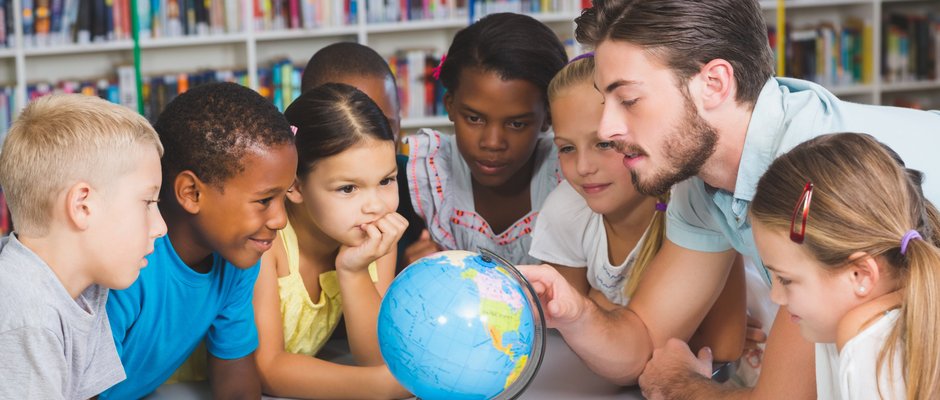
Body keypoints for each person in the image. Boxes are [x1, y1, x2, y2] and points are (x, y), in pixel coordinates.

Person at [520, 0, 940, 398]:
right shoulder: (699, 174)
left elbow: (781, 398)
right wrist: (576, 314)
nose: (608, 127)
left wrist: (683, 384)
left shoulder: (809, 182)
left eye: (628, 100)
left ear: (714, 83)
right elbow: (644, 340)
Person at [101, 82, 298, 399]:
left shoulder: (237, 259)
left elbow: (235, 384)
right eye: (264, 200)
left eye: (284, 197)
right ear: (191, 193)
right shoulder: (125, 266)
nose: (280, 220)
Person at [750, 132, 940, 399]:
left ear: (860, 274)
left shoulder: (867, 345)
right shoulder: (837, 324)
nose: (776, 296)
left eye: (786, 279)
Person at [0, 94, 166, 398]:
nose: (161, 227)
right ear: (83, 206)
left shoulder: (84, 290)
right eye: (147, 203)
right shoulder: (27, 318)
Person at [251, 83, 410, 399]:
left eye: (386, 181)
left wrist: (353, 272)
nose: (376, 205)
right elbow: (265, 368)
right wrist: (384, 387)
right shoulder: (266, 241)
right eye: (348, 188)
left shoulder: (376, 239)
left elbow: (376, 359)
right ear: (294, 186)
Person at [405, 12, 568, 266]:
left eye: (516, 124)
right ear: (450, 105)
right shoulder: (431, 176)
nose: (492, 142)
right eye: (474, 119)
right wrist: (411, 270)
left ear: (548, 116)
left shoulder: (567, 176)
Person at [299, 41, 425, 272]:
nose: (364, 134)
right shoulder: (277, 228)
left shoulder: (418, 182)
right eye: (342, 124)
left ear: (399, 121)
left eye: (380, 123)